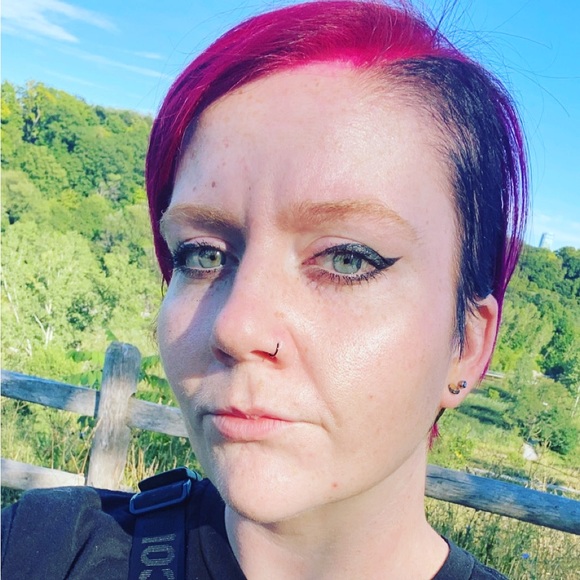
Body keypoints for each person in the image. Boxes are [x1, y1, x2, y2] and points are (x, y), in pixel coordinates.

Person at [2, 1, 528, 578]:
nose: (235, 326)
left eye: (347, 259)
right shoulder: (41, 550)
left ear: (467, 345)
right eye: (202, 255)